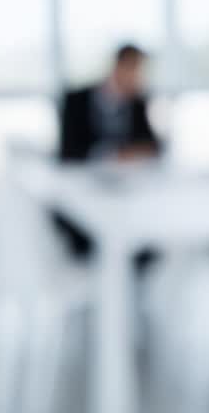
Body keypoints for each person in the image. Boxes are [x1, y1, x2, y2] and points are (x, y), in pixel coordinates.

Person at [54, 43, 161, 261]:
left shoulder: (138, 103)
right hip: (82, 196)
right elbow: (66, 152)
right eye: (135, 70)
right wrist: (111, 154)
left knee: (147, 242)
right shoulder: (76, 100)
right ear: (119, 67)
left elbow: (153, 146)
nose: (139, 78)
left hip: (127, 195)